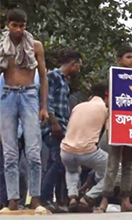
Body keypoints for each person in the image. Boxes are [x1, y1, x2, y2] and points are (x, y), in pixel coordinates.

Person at [0, 9, 48, 212]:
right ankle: (13, 199)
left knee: (33, 152)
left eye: (23, 25)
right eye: (15, 25)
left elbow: (43, 76)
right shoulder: (2, 46)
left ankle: (35, 197)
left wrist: (44, 106)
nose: (19, 30)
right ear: (8, 24)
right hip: (7, 95)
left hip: (29, 95)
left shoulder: (35, 45)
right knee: (9, 153)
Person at [98, 45, 132, 212]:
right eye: (128, 57)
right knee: (112, 163)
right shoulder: (115, 77)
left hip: (131, 124)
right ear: (119, 60)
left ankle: (126, 200)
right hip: (117, 124)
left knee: (127, 164)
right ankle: (104, 200)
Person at [41, 49, 83, 210]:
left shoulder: (64, 81)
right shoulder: (53, 76)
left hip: (62, 126)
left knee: (55, 163)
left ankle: (51, 201)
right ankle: (44, 198)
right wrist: (53, 123)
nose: (78, 70)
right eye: (78, 66)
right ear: (72, 64)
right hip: (53, 126)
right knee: (58, 162)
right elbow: (47, 100)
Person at [60, 83, 110, 213]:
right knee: (114, 170)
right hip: (88, 151)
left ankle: (72, 197)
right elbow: (109, 133)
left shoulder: (78, 106)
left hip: (66, 150)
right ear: (106, 95)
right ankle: (89, 197)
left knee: (71, 171)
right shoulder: (104, 109)